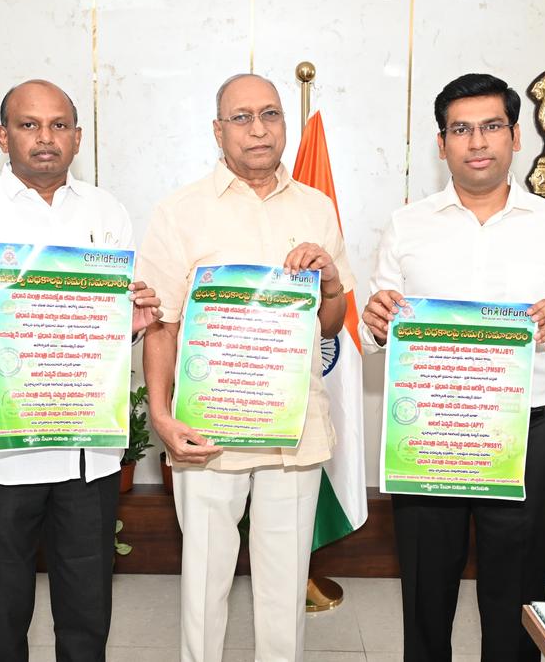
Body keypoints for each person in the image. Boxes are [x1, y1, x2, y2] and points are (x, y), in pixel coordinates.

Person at [0, 79, 161, 662]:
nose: (45, 137)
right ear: (3, 136)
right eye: (29, 125)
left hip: (88, 456)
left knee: (87, 616)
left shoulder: (107, 212)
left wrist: (131, 325)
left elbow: (108, 331)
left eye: (58, 125)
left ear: (77, 137)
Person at [360, 73, 545, 662]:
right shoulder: (407, 224)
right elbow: (375, 328)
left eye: (492, 126)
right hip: (429, 432)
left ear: (516, 137)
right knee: (425, 589)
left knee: (516, 593)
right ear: (441, 143)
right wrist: (375, 322)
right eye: (461, 129)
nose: (477, 142)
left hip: (524, 432)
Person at [137, 72, 354, 662]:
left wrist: (330, 283)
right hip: (207, 429)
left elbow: (332, 323)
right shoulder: (179, 212)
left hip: (293, 428)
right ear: (218, 130)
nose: (258, 129)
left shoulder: (317, 207)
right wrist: (161, 414)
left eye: (270, 114)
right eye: (242, 117)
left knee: (285, 585)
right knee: (205, 579)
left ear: (284, 122)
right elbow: (161, 324)